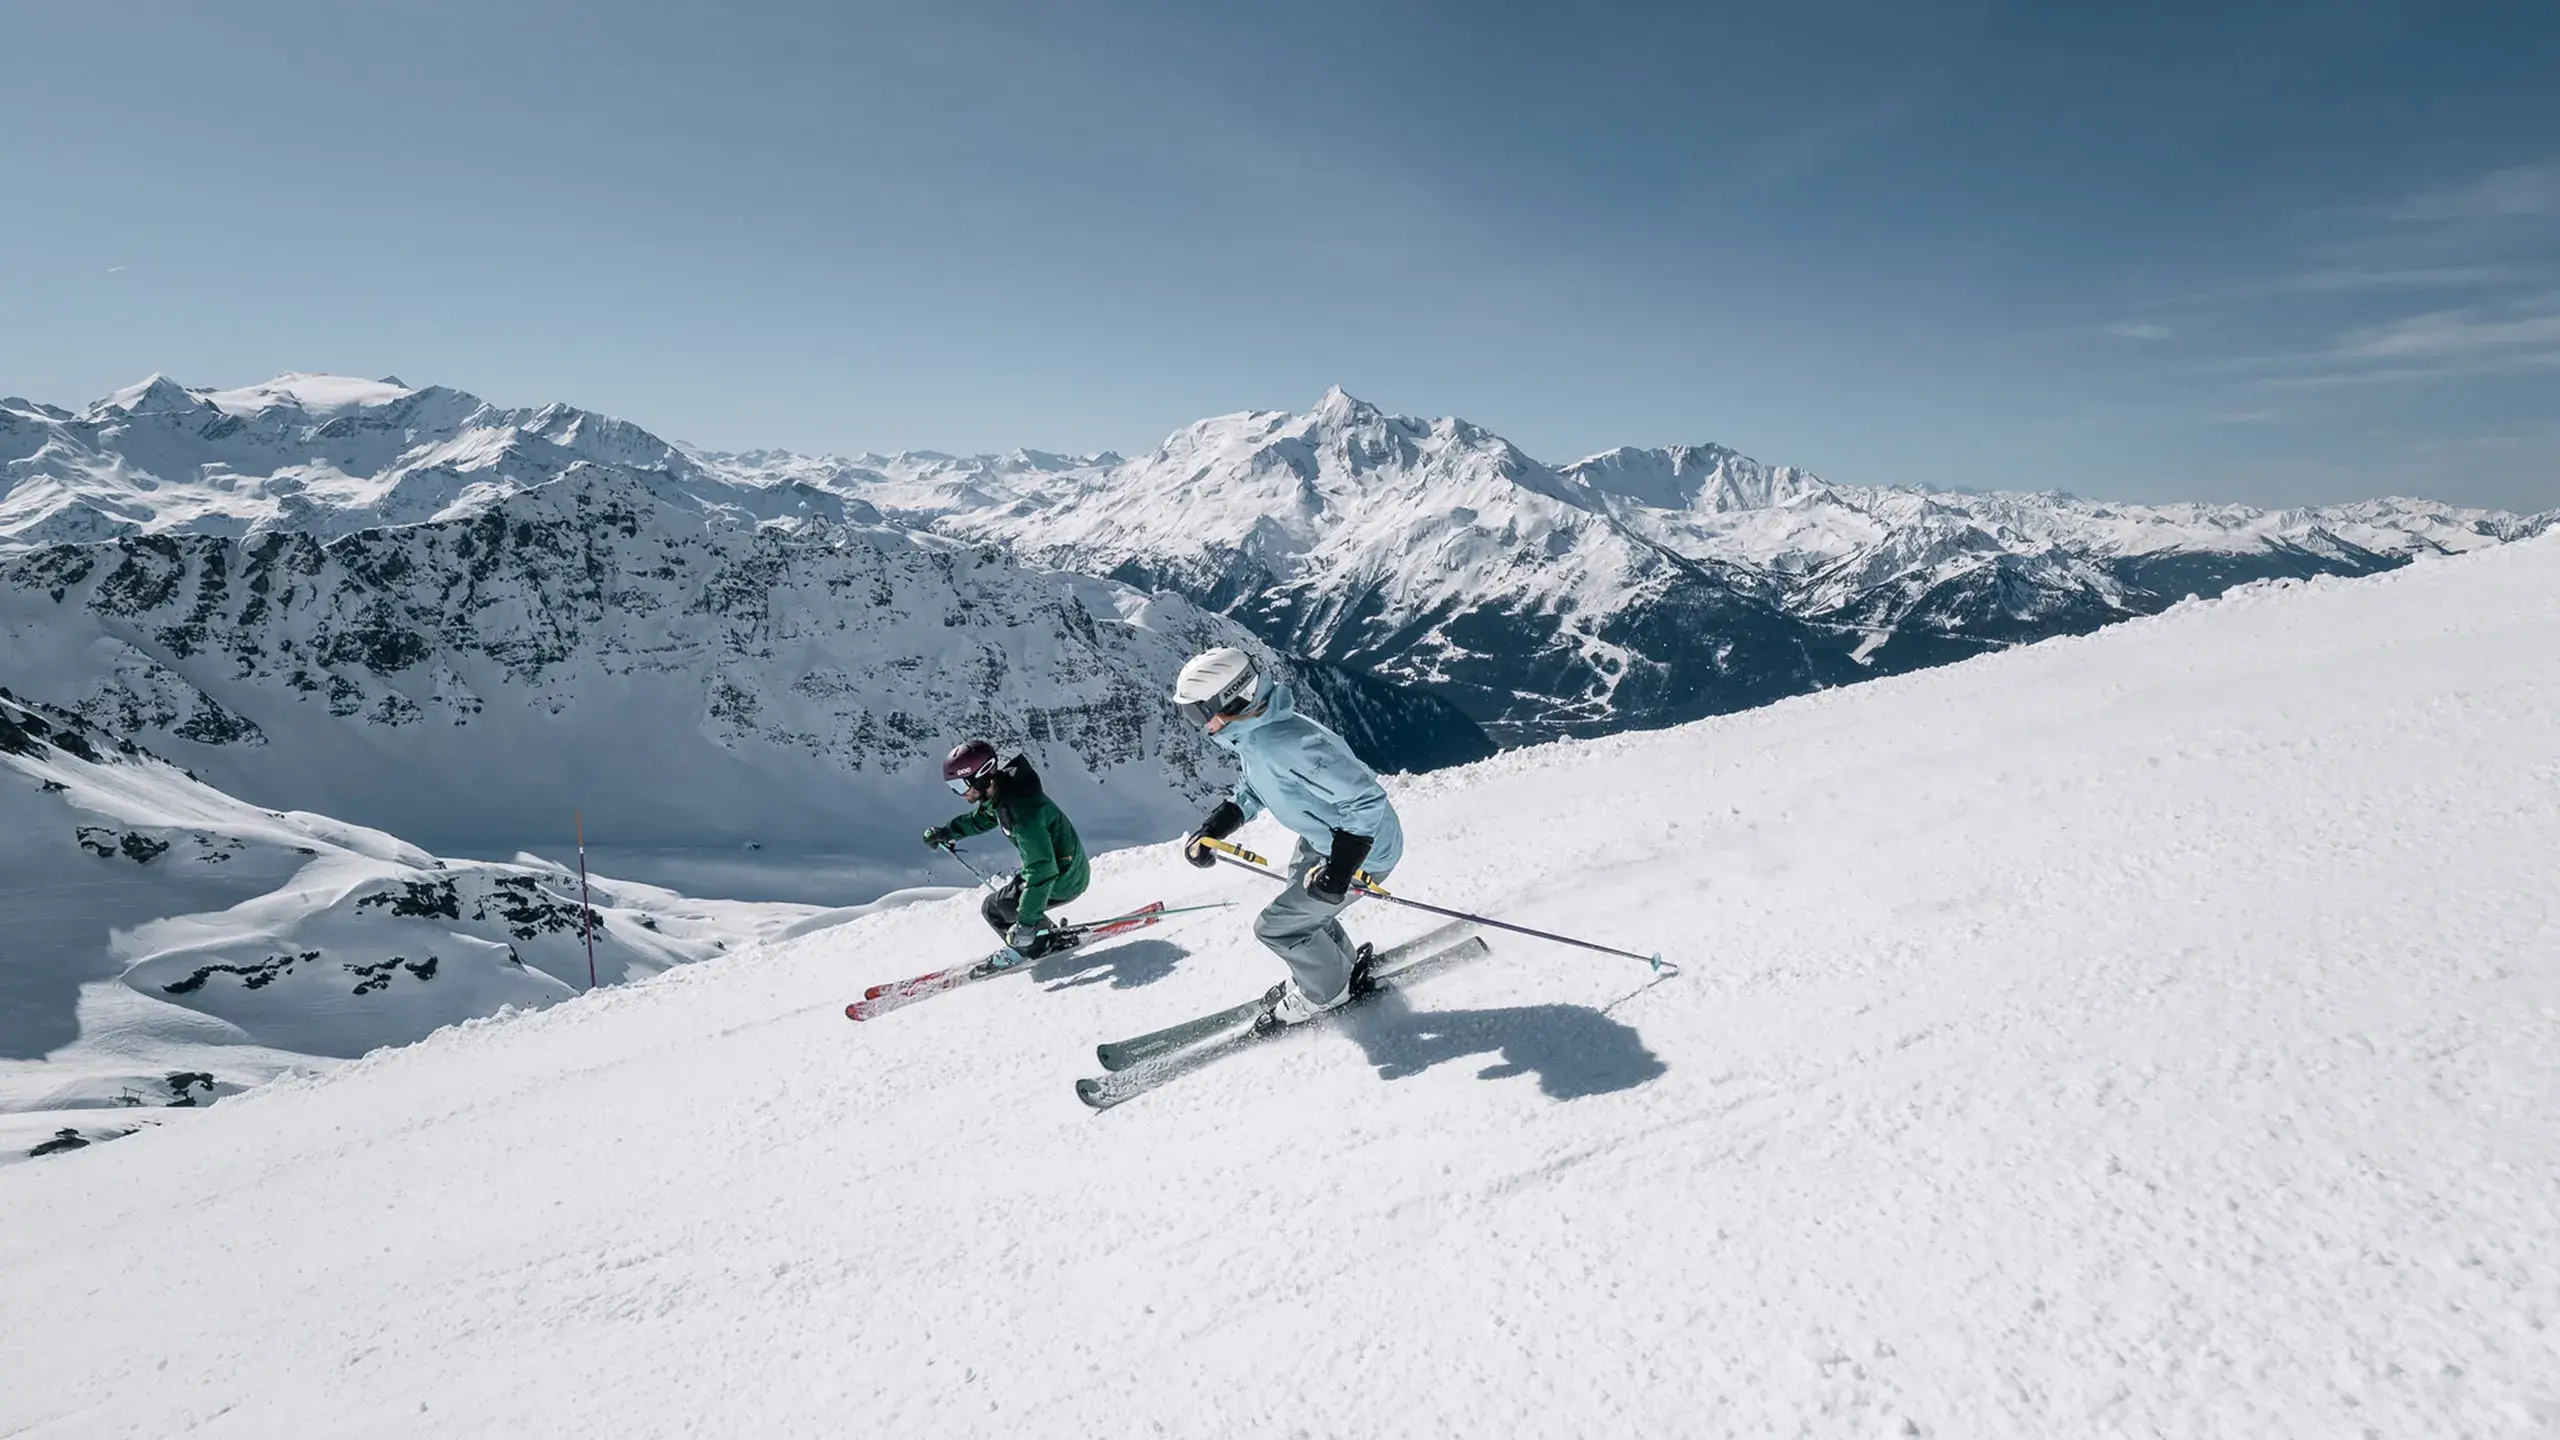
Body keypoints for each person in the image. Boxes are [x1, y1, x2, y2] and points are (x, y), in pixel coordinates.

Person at [1171, 647, 1403, 1025]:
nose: (1198, 724)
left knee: (1276, 927)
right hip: (1322, 839)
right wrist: (1216, 827)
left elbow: (1366, 799)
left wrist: (1341, 870)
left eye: (1199, 711)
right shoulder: (1255, 733)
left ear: (1233, 697)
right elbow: (1255, 786)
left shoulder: (1287, 744)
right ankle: (1335, 969)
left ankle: (1327, 992)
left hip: (1365, 851)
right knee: (1304, 909)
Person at [922, 739, 1090, 962]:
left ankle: (1040, 948)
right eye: (954, 788)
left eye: (961, 786)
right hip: (1064, 867)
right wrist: (948, 832)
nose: (961, 794)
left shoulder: (1019, 811)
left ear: (981, 777)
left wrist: (1026, 923)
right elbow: (983, 818)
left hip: (1064, 877)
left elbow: (1042, 869)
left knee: (996, 909)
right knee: (1000, 905)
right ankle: (1046, 937)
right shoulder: (1004, 791)